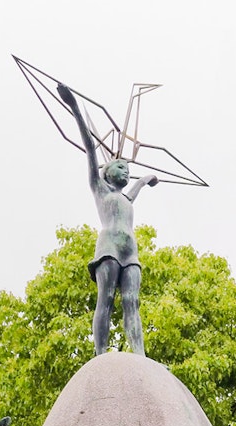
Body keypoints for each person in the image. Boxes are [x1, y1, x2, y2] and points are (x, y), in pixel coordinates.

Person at [57, 82, 158, 356]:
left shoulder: (126, 197)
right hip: (110, 247)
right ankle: (100, 354)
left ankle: (140, 356)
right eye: (120, 167)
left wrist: (147, 180)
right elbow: (90, 147)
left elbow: (136, 190)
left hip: (130, 251)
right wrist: (75, 108)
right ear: (106, 172)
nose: (126, 172)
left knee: (132, 301)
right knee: (107, 300)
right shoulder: (100, 188)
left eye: (128, 170)